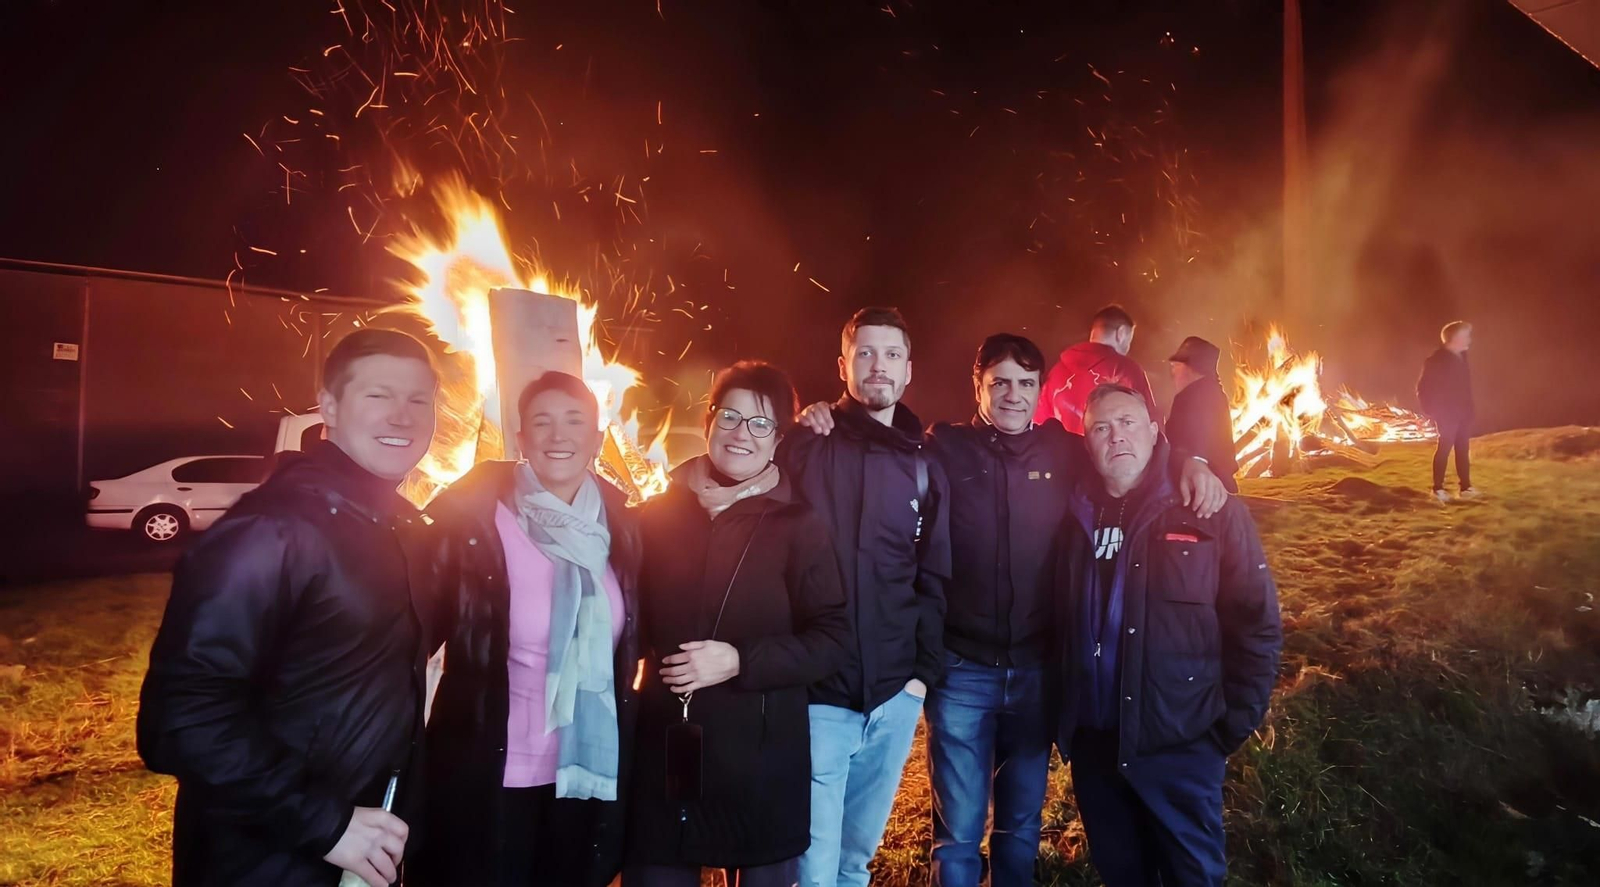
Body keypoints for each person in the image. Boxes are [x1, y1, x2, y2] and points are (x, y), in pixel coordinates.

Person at [799, 335, 1229, 887]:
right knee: (957, 831)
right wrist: (825, 418)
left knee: (1021, 826)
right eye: (999, 382)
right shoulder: (942, 447)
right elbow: (880, 445)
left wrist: (1192, 460)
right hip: (962, 671)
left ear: (1041, 390)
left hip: (1037, 673)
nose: (1013, 395)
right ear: (977, 387)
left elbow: (1130, 451)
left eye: (1026, 383)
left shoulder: (1063, 451)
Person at [137, 328, 440, 887]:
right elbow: (179, 721)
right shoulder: (271, 529)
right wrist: (327, 825)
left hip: (362, 849)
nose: (403, 416)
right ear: (328, 406)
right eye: (379, 395)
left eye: (418, 399)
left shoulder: (394, 526)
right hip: (266, 861)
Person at [623, 360, 851, 887]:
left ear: (778, 440)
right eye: (730, 416)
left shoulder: (799, 525)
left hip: (761, 761)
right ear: (708, 422)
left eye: (760, 423)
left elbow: (833, 639)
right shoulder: (657, 516)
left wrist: (739, 660)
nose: (741, 434)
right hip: (668, 748)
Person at [413, 372, 641, 887]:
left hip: (583, 772)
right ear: (520, 440)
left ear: (598, 440)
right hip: (488, 768)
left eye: (574, 421)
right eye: (542, 422)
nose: (558, 436)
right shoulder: (472, 520)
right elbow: (410, 631)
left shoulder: (624, 525)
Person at [1055, 384, 1282, 887]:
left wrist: (1226, 729)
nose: (1116, 436)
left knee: (1192, 877)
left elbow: (1256, 623)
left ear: (1156, 430)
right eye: (1101, 427)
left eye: (1128, 422)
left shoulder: (1206, 507)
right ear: (1086, 443)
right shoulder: (1072, 513)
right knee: (1123, 876)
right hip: (1097, 748)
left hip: (1179, 743)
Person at [779, 306, 952, 887]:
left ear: (909, 370)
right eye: (866, 353)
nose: (879, 366)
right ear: (844, 364)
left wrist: (918, 680)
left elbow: (933, 578)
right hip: (818, 696)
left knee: (855, 863)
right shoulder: (805, 445)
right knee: (811, 868)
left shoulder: (925, 465)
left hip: (893, 697)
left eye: (892, 354)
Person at [1035, 304, 1161, 435]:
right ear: (1121, 333)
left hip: (1058, 454)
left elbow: (1039, 422)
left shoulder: (1057, 371)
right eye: (1129, 340)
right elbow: (1149, 423)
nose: (1128, 347)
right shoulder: (1124, 370)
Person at [1167, 336, 1240, 494]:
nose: (1172, 373)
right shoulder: (1213, 393)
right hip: (1213, 486)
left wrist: (1196, 460)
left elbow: (1197, 440)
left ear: (1191, 368)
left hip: (1200, 490)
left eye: (1176, 366)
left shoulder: (1194, 396)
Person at [1416, 321, 1478, 503]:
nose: (1469, 339)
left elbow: (1465, 388)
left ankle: (1465, 488)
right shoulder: (1436, 360)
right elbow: (1423, 388)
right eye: (1466, 335)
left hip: (1462, 412)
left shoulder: (1462, 357)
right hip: (1446, 413)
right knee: (1444, 447)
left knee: (1462, 449)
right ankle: (1437, 490)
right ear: (1455, 338)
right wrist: (1432, 411)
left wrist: (1470, 409)